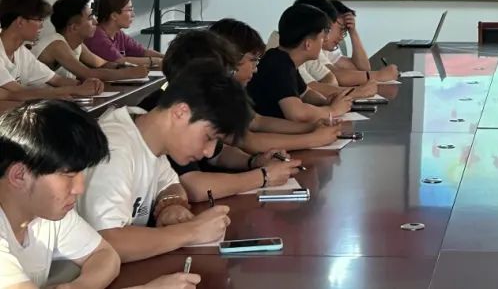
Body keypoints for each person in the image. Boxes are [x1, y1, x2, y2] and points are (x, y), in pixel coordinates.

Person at [0, 100, 198, 289]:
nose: (79, 188)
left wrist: (78, 287)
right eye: (69, 175)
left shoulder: (46, 212)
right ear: (19, 176)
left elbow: (105, 255)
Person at [79, 61, 248, 263]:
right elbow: (108, 242)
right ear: (180, 112)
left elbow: (171, 185)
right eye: (208, 137)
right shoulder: (115, 148)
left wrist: (171, 205)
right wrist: (192, 232)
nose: (209, 151)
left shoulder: (148, 135)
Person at [153, 26, 341, 155]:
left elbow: (256, 121)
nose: (256, 69)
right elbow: (249, 140)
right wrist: (312, 138)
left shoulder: (225, 92)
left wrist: (311, 128)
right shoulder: (198, 100)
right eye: (252, 60)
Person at [246, 5, 358, 123]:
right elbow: (297, 114)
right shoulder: (278, 65)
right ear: (307, 44)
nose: (325, 40)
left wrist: (326, 102)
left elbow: (305, 94)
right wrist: (332, 110)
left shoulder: (284, 59)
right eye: (322, 37)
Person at [0, 0, 103, 101]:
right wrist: (75, 90)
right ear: (20, 22)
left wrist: (87, 85)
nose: (42, 26)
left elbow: (56, 80)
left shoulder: (21, 52)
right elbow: (19, 93)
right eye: (39, 20)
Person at [32, 0, 151, 84]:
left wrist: (127, 67)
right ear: (74, 27)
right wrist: (129, 73)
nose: (95, 21)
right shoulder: (56, 45)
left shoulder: (78, 45)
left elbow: (102, 64)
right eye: (90, 18)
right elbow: (88, 74)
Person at [291, 0, 396, 87]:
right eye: (341, 29)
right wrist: (378, 76)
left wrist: (353, 32)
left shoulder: (323, 49)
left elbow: (362, 68)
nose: (341, 37)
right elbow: (337, 76)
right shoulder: (304, 48)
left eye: (345, 31)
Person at [84, 0, 162, 68]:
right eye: (130, 10)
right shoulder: (97, 36)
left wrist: (165, 58)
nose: (133, 14)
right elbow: (120, 61)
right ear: (114, 15)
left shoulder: (118, 34)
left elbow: (142, 52)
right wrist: (156, 61)